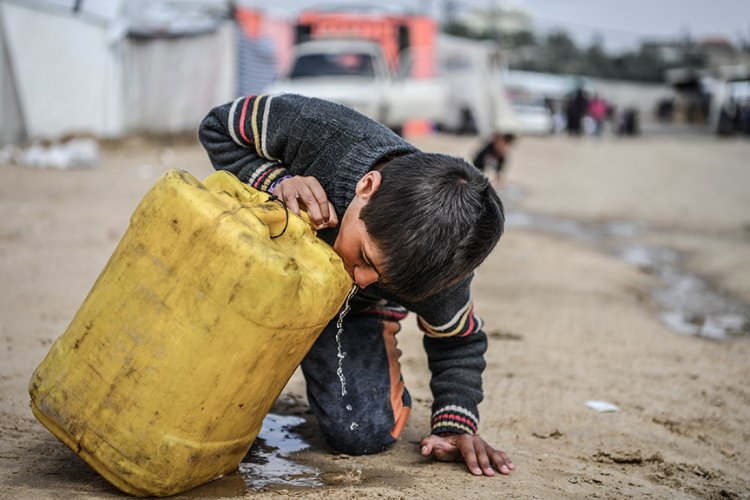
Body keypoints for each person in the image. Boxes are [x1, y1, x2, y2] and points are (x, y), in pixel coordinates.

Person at [198, 93, 514, 477]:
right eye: (365, 257)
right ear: (366, 187)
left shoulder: (442, 279)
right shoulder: (322, 130)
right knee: (195, 399)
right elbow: (218, 125)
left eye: (383, 279)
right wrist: (275, 182)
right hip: (254, 270)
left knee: (361, 432)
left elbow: (457, 340)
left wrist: (455, 425)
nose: (361, 277)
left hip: (348, 311)